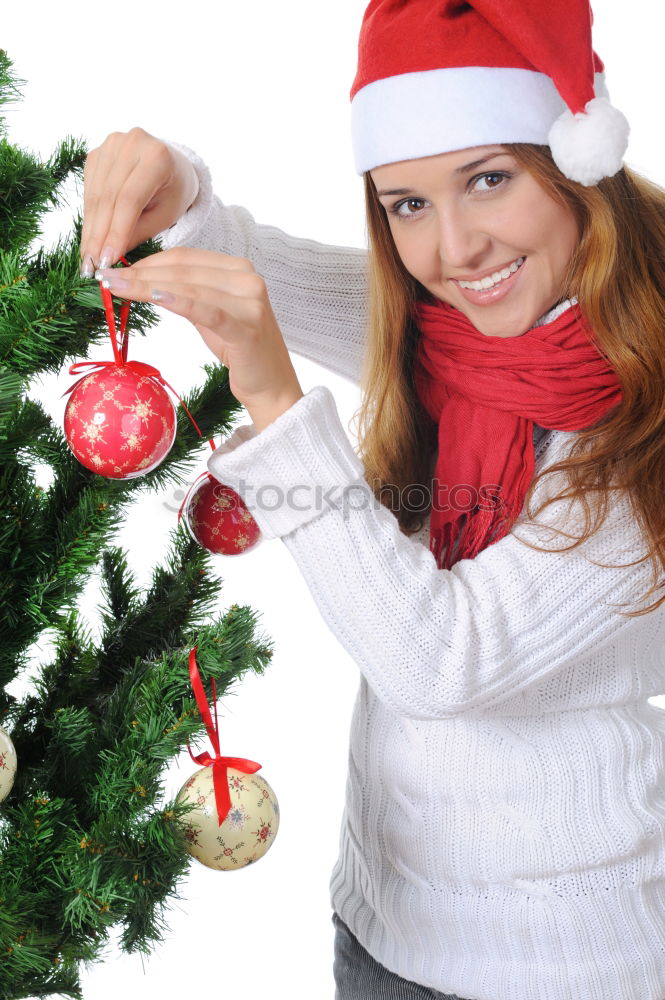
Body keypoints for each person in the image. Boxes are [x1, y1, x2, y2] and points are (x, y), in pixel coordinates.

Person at [78, 1, 665, 997]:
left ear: (575, 166)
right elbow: (272, 280)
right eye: (406, 204)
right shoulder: (462, 335)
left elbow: (439, 659)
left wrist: (271, 399)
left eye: (488, 180)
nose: (455, 250)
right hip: (384, 920)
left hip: (567, 960)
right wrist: (177, 191)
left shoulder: (638, 418)